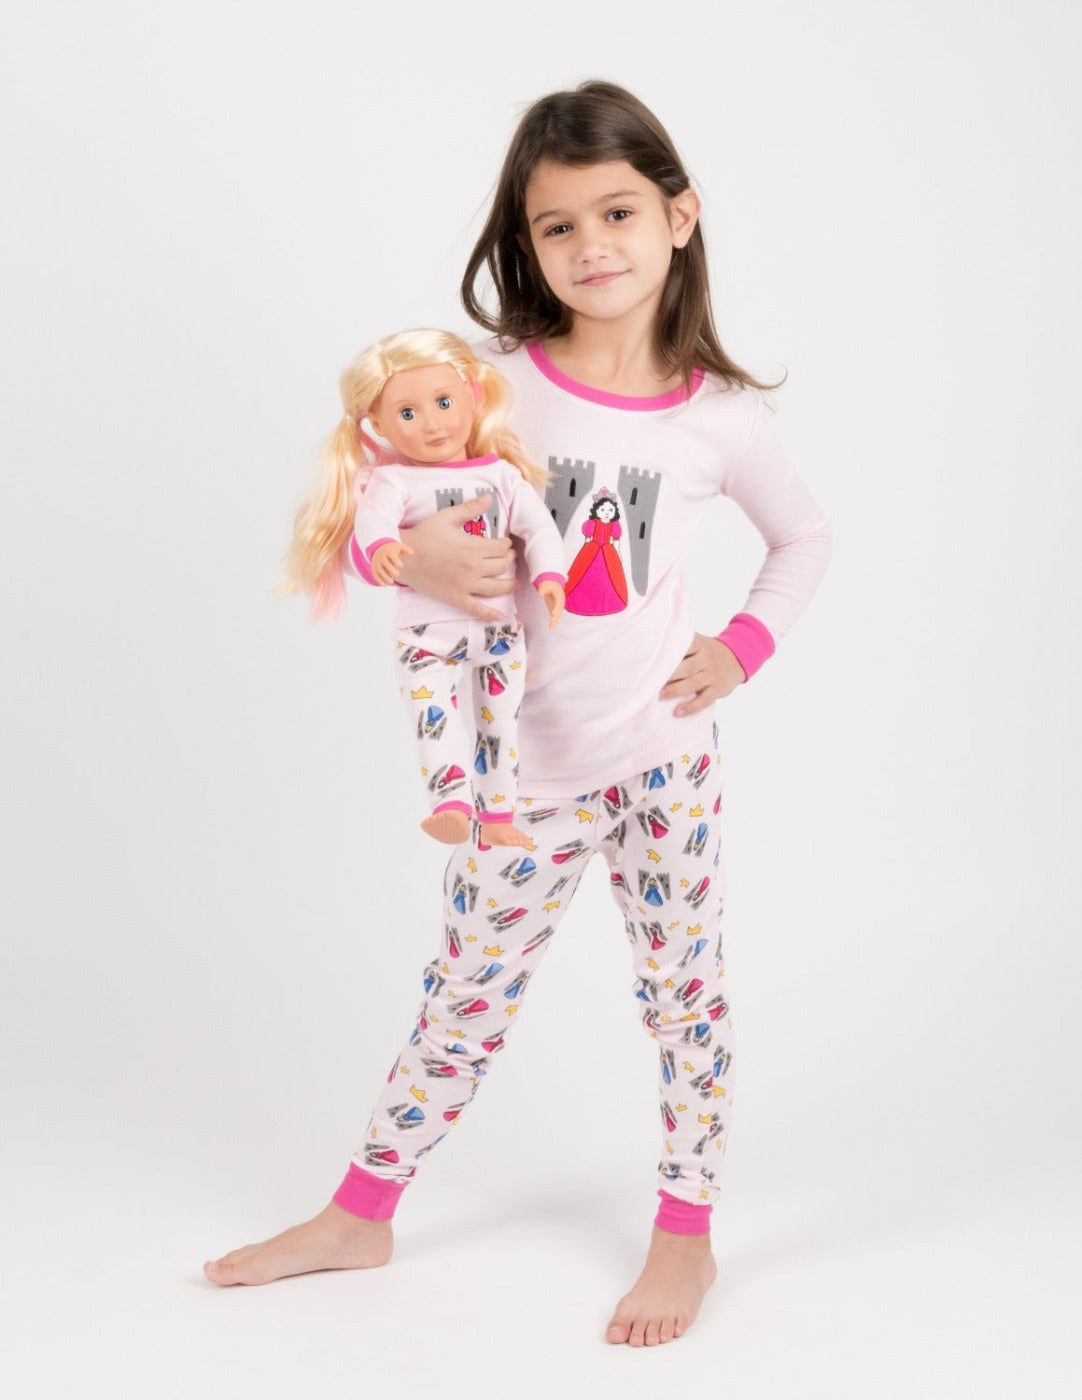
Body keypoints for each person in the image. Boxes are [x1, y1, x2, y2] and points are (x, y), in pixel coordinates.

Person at [205, 80, 832, 1350]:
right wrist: (414, 562)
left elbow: (804, 537)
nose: (591, 244)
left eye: (617, 211)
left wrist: (740, 647)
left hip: (661, 763)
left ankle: (685, 1228)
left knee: (684, 997)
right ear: (524, 243)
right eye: (556, 225)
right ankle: (360, 1212)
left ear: (678, 215)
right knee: (462, 997)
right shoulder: (483, 387)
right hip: (518, 781)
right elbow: (367, 512)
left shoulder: (718, 417)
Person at [280, 329, 565, 847]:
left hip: (499, 631)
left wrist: (549, 575)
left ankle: (498, 816)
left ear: (472, 397)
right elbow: (373, 520)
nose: (432, 424)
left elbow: (539, 527)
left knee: (501, 725)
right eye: (408, 413)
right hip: (424, 636)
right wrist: (384, 547)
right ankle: (450, 804)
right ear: (378, 424)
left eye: (444, 403)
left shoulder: (502, 475)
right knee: (434, 719)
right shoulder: (395, 482)